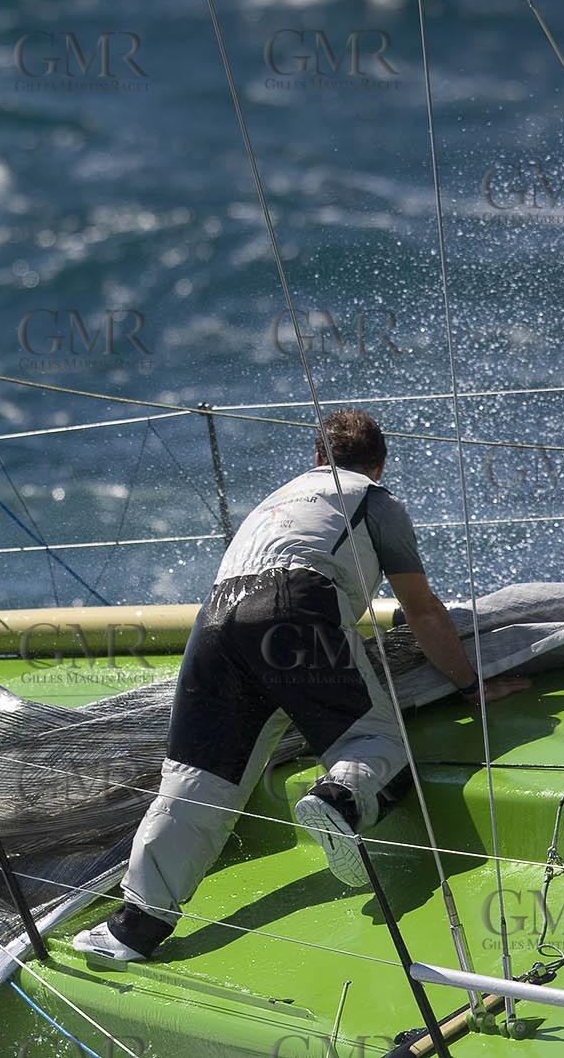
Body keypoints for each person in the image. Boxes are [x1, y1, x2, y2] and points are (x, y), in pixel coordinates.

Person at [74, 408, 530, 962]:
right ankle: (339, 797)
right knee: (379, 742)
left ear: (317, 458)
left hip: (215, 621)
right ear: (379, 465)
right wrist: (469, 685)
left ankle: (132, 929)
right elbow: (422, 610)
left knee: (197, 781)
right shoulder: (375, 501)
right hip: (292, 609)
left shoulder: (276, 499)